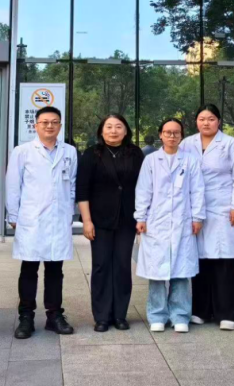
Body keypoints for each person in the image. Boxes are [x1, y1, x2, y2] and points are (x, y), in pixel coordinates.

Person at [7, 106, 77, 339]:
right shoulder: (23, 151)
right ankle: (26, 317)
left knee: (55, 270)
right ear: (35, 125)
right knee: (29, 269)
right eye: (45, 122)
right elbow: (13, 185)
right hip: (32, 220)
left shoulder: (69, 151)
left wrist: (69, 213)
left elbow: (72, 184)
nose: (49, 126)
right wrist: (14, 216)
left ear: (60, 125)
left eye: (54, 122)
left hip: (58, 219)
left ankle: (54, 316)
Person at [180, 104, 234, 330]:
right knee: (200, 261)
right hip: (195, 209)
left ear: (218, 121)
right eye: (202, 119)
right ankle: (201, 310)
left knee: (226, 261)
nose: (206, 123)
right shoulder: (187, 143)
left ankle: (227, 313)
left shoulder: (230, 144)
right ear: (196, 121)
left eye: (211, 119)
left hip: (224, 209)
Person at [135, 118, 206, 333]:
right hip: (156, 222)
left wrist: (197, 217)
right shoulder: (151, 160)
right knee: (157, 272)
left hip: (183, 221)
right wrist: (141, 217)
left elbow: (197, 190)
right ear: (161, 135)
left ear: (181, 135)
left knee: (181, 271)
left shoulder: (190, 160)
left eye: (176, 132)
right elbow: (143, 190)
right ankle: (157, 314)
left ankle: (180, 315)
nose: (172, 136)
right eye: (167, 132)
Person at [77, 114, 145, 331]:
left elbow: (144, 186)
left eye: (118, 127)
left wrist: (142, 216)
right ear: (101, 130)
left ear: (126, 131)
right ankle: (102, 316)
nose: (113, 131)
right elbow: (82, 190)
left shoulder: (135, 153)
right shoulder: (91, 154)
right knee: (101, 265)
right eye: (109, 127)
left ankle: (120, 315)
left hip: (127, 218)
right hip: (99, 219)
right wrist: (87, 221)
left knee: (123, 265)